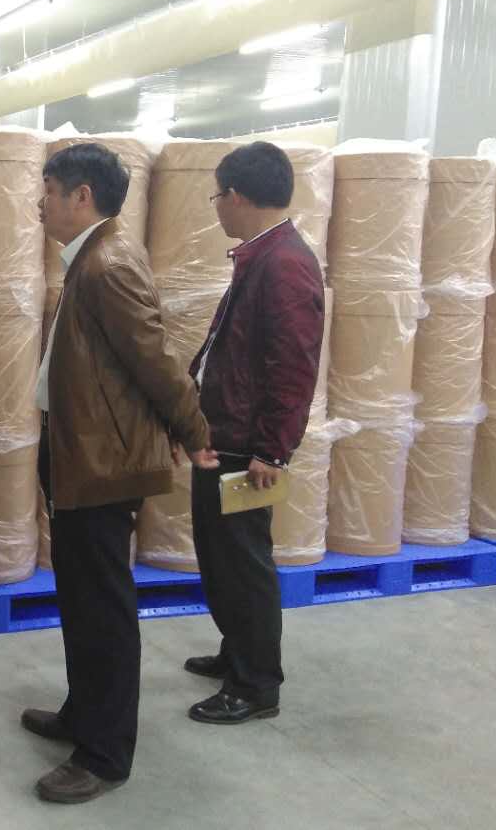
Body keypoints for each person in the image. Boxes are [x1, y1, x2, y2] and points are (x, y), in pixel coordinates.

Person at [24, 142, 217, 805]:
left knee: (103, 609)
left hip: (102, 461)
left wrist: (194, 433)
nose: (40, 203)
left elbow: (156, 362)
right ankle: (83, 713)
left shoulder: (108, 265)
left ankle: (104, 755)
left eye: (49, 190)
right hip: (79, 449)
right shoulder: (89, 259)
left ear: (82, 197)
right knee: (80, 597)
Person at [184, 141, 325, 725]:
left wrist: (273, 449)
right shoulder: (261, 255)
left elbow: (293, 367)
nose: (217, 206)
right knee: (221, 557)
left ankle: (256, 684)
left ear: (237, 196)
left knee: (243, 563)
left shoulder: (284, 263)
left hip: (249, 447)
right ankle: (236, 649)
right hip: (227, 435)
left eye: (217, 196)